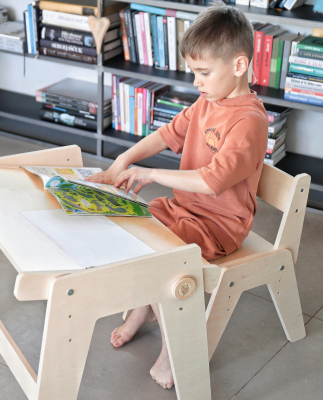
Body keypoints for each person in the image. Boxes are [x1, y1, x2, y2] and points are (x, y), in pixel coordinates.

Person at [86, 0, 268, 390]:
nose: (196, 82)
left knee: (165, 262)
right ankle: (145, 310)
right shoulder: (207, 102)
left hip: (219, 225)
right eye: (194, 73)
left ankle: (173, 351)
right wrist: (123, 160)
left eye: (203, 72)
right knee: (134, 226)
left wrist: (149, 173)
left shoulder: (248, 120)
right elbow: (165, 136)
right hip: (182, 209)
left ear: (238, 66)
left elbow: (213, 180)